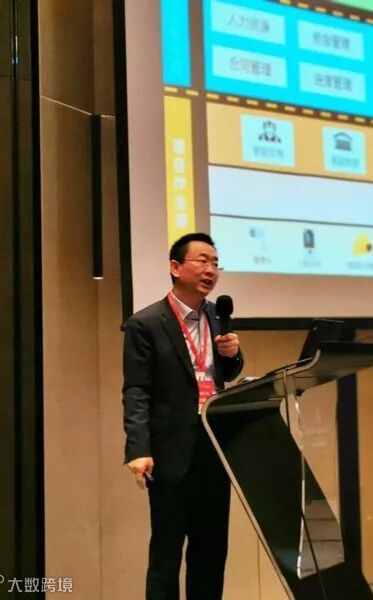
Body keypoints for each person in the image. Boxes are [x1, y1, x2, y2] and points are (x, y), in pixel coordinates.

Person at [122, 232, 243, 599]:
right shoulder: (146, 323)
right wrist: (138, 448)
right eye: (202, 261)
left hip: (214, 449)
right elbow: (136, 390)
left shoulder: (217, 315)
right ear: (175, 267)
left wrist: (233, 355)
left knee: (211, 555)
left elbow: (225, 374)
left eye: (216, 263)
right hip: (170, 453)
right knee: (166, 556)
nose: (211, 270)